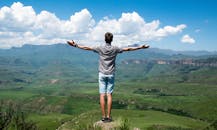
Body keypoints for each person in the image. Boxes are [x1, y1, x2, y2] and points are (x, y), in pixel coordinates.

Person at [67, 32, 149, 122]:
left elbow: (87, 48)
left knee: (102, 95)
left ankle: (103, 116)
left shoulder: (100, 47)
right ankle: (109, 117)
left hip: (102, 73)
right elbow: (128, 49)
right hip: (111, 74)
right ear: (112, 39)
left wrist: (75, 45)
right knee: (109, 95)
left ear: (104, 39)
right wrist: (140, 47)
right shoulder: (115, 48)